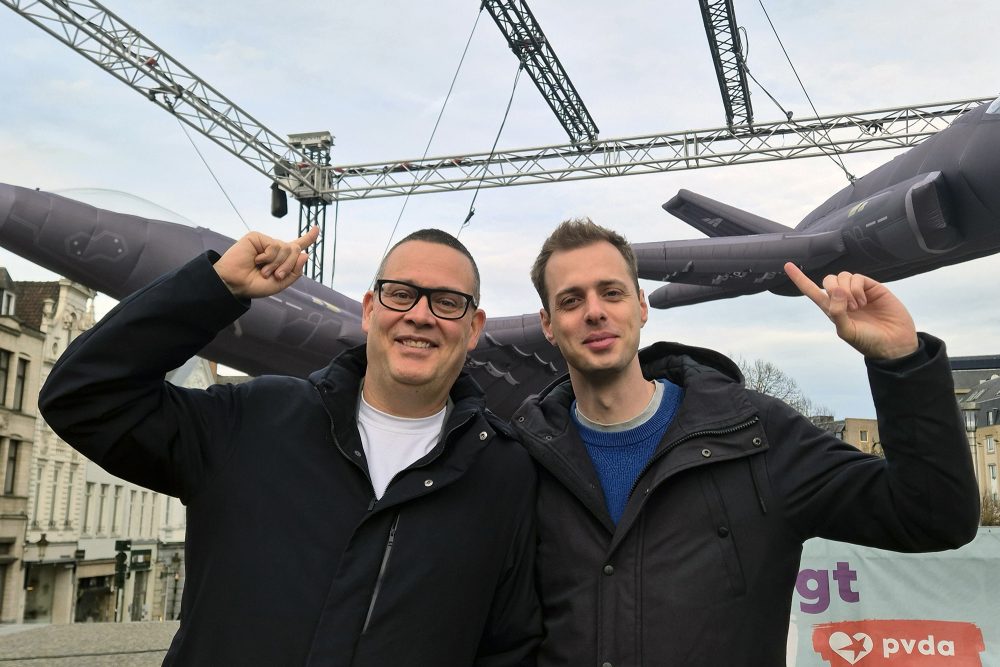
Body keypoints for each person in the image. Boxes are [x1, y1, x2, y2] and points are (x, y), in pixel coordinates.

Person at [39, 227, 541, 666]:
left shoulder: (502, 470)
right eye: (400, 294)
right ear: (369, 311)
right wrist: (216, 288)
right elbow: (82, 398)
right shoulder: (253, 418)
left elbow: (507, 645)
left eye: (448, 302)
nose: (420, 315)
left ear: (473, 329)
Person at [511, 219, 979, 666]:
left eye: (611, 292)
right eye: (571, 301)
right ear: (548, 324)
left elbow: (933, 517)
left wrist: (903, 363)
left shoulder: (754, 432)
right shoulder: (522, 460)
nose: (595, 311)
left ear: (641, 305)